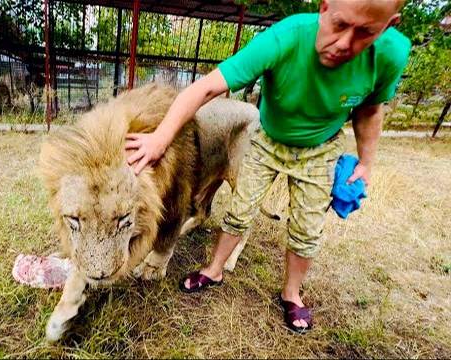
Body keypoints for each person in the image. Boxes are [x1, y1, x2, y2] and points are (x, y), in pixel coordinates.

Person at [124, 0, 410, 333]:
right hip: (268, 140)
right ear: (324, 8)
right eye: (339, 24)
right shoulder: (284, 38)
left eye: (365, 33)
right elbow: (206, 87)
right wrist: (159, 139)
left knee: (307, 228)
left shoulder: (391, 54)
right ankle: (214, 269)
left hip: (320, 149)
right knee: (239, 210)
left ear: (389, 26)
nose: (345, 44)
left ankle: (292, 294)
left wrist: (367, 162)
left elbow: (371, 110)